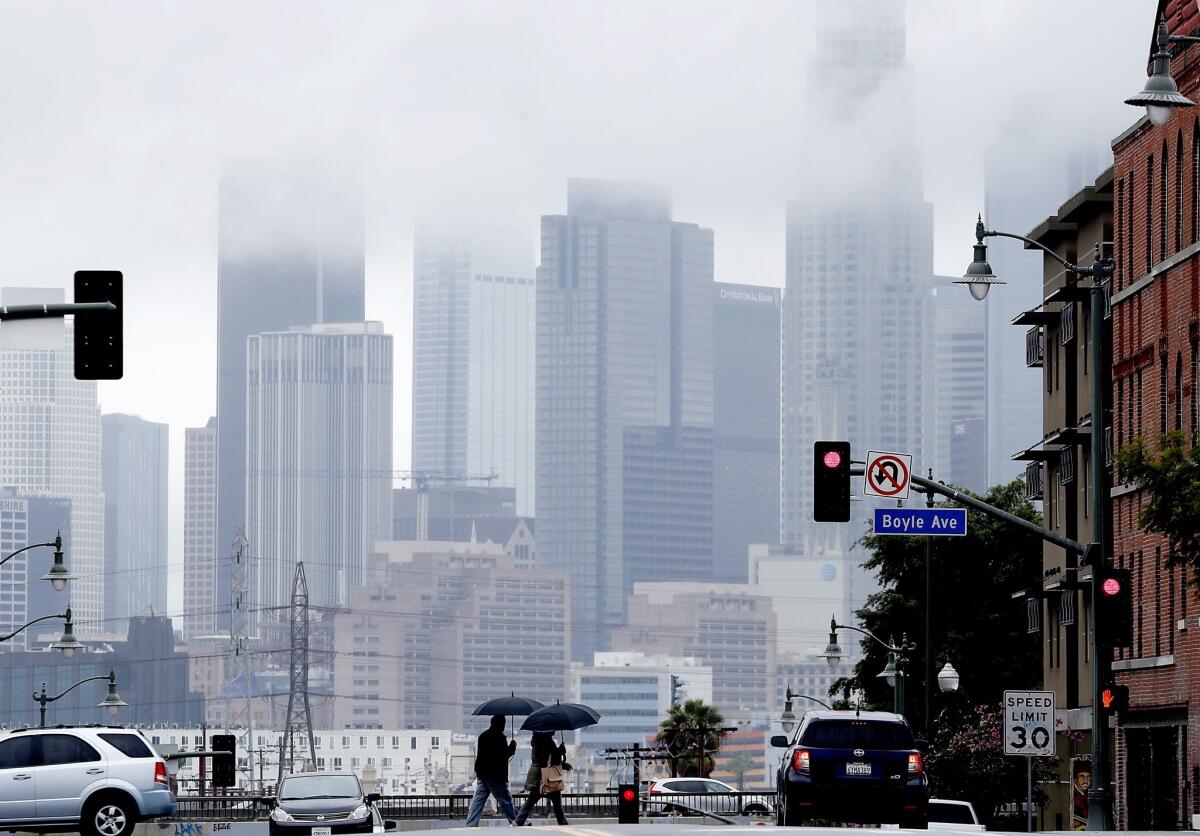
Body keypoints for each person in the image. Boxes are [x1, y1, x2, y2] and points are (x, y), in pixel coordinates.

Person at [466, 715, 518, 827]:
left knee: (478, 801)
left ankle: (470, 825)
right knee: (505, 800)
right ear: (501, 724)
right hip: (496, 776)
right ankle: (517, 822)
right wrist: (512, 748)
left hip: (482, 774)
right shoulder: (500, 738)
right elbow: (503, 756)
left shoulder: (483, 736)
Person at [512, 731, 570, 826]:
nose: (554, 730)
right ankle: (562, 821)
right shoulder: (547, 741)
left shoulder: (536, 740)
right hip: (547, 775)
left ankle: (519, 821)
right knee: (556, 800)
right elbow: (551, 758)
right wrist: (560, 751)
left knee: (532, 799)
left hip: (536, 774)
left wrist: (559, 751)